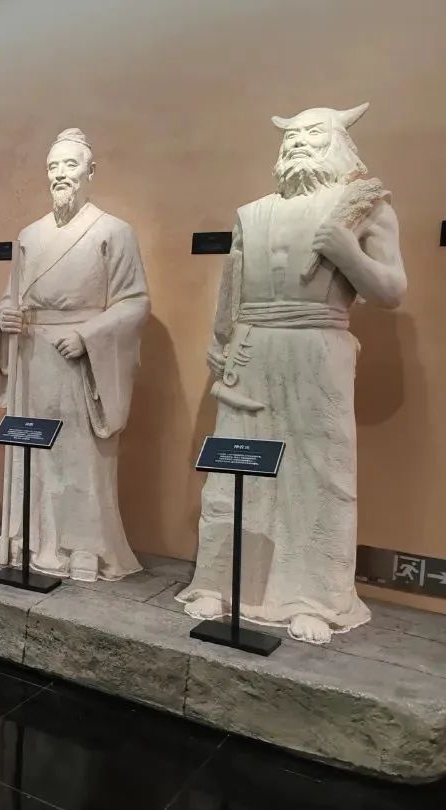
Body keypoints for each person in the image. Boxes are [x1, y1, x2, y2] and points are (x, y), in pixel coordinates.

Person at [178, 104, 407, 645]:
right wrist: (220, 343)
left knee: (317, 473)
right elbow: (231, 291)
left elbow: (392, 291)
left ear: (339, 143)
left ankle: (315, 596)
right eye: (293, 135)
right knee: (235, 468)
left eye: (313, 134)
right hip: (251, 348)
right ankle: (221, 581)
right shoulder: (253, 213)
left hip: (316, 347)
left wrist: (348, 253)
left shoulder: (366, 207)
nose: (299, 142)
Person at [0, 128, 149, 582]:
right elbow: (11, 295)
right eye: (53, 166)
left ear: (90, 171)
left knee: (80, 454)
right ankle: (29, 538)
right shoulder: (29, 235)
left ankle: (85, 546)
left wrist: (89, 335)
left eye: (70, 165)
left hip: (80, 361)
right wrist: (4, 316)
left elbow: (135, 301)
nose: (61, 174)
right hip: (31, 359)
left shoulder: (114, 231)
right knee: (33, 452)